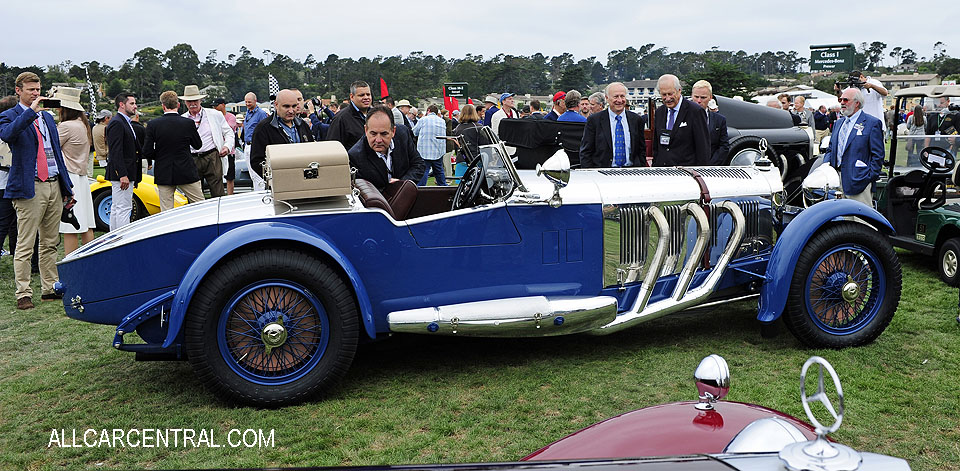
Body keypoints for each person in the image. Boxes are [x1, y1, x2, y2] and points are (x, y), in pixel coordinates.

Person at [0, 72, 75, 309]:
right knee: (25, 243)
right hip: (28, 186)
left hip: (53, 183)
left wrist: (67, 186)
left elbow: (56, 154)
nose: (35, 93)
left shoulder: (48, 119)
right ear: (18, 90)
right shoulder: (8, 116)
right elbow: (8, 135)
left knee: (51, 242)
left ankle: (50, 287)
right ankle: (23, 292)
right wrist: (31, 111)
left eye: (38, 89)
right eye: (31, 89)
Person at [143, 91, 204, 211]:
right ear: (178, 105)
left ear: (163, 106)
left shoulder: (153, 125)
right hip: (186, 169)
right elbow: (198, 145)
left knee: (166, 209)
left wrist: (160, 155)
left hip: (164, 170)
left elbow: (147, 151)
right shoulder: (188, 123)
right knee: (200, 204)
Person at [822, 88, 884, 206]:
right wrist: (826, 168)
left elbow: (878, 155)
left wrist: (868, 177)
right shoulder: (838, 124)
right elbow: (831, 148)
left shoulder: (871, 123)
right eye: (841, 100)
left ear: (857, 103)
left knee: (860, 221)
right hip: (837, 182)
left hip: (859, 182)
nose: (842, 102)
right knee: (841, 220)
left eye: (846, 100)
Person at [54, 88, 95, 255]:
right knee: (85, 222)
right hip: (81, 177)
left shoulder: (66, 126)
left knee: (69, 224)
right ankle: (91, 259)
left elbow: (51, 147)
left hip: (69, 177)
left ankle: (71, 260)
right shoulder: (82, 124)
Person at [348, 105, 425, 192]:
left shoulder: (403, 134)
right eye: (373, 133)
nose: (378, 140)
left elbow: (419, 164)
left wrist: (402, 184)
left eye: (384, 134)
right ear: (366, 130)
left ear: (393, 131)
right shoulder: (355, 156)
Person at [249, 89, 315, 187]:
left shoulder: (302, 125)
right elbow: (256, 161)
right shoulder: (263, 128)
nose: (291, 110)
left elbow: (312, 151)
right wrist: (274, 178)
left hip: (305, 182)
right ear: (276, 105)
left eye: (294, 106)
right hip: (280, 185)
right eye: (286, 106)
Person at [179, 85, 234, 198]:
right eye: (189, 101)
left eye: (195, 100)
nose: (192, 103)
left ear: (200, 100)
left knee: (218, 192)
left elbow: (228, 133)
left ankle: (220, 214)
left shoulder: (215, 114)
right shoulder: (182, 119)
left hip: (212, 156)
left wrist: (227, 147)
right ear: (185, 102)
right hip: (192, 158)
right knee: (194, 194)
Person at [580, 82, 646, 168]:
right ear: (607, 98)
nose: (619, 100)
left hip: (631, 173)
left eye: (622, 96)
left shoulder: (636, 120)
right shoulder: (594, 121)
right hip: (603, 173)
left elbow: (641, 150)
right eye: (615, 97)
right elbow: (586, 152)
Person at [651, 74, 710, 167]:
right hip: (663, 172)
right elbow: (657, 147)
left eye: (670, 94)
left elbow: (703, 148)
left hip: (686, 172)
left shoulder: (695, 111)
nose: (667, 98)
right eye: (663, 95)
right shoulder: (659, 112)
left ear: (679, 91)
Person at [105, 92, 142, 231]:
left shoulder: (124, 122)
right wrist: (122, 174)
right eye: (131, 103)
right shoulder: (117, 123)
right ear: (122, 104)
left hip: (126, 172)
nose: (135, 106)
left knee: (118, 207)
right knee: (123, 208)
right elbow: (116, 151)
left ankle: (114, 238)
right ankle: (122, 239)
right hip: (122, 173)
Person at [690, 80, 729, 165]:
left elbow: (724, 146)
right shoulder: (682, 118)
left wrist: (710, 165)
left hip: (711, 167)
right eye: (696, 97)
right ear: (691, 96)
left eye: (703, 97)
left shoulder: (719, 120)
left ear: (710, 97)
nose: (699, 101)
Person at [0, 95, 20, 259]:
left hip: (6, 179)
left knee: (11, 222)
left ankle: (15, 252)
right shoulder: (9, 129)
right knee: (8, 221)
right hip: (7, 179)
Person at [327, 80, 372, 150]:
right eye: (361, 95)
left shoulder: (375, 115)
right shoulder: (341, 119)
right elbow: (333, 148)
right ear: (352, 97)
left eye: (368, 94)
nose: (366, 97)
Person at [412, 104, 447, 186]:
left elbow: (414, 132)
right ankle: (443, 188)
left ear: (428, 111)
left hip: (425, 150)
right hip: (438, 151)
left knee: (424, 171)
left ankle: (421, 189)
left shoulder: (423, 119)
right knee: (439, 171)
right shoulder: (442, 121)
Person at [212, 98, 238, 195]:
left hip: (229, 151)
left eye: (216, 105)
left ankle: (230, 195)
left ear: (223, 105)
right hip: (217, 150)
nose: (215, 108)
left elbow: (227, 129)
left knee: (230, 177)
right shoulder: (214, 117)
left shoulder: (230, 117)